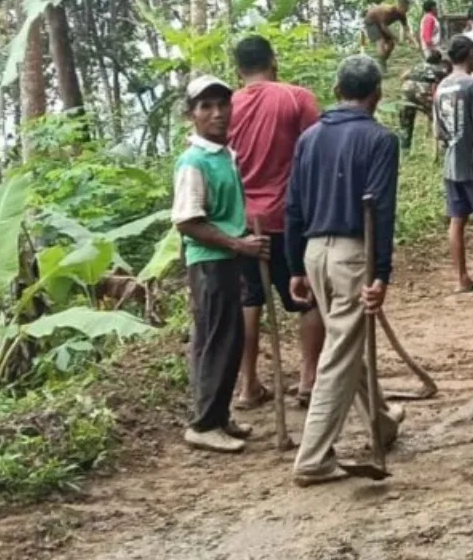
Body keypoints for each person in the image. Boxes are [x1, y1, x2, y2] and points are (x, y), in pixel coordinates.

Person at [285, 55, 406, 486]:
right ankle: (314, 457)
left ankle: (382, 424)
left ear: (337, 90)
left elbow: (293, 205)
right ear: (377, 93)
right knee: (339, 353)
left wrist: (293, 262)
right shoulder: (380, 140)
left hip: (315, 252)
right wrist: (381, 274)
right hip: (354, 253)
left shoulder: (309, 138)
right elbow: (382, 211)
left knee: (345, 341)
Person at [173, 75, 269, 453]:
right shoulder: (194, 162)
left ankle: (218, 415)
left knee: (227, 340)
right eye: (206, 107)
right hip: (211, 262)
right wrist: (237, 243)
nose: (217, 114)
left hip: (227, 258)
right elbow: (188, 221)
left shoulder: (224, 154)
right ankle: (204, 423)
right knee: (216, 341)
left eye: (222, 105)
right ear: (192, 115)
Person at [228, 36, 324, 411]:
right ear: (273, 59)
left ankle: (248, 385)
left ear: (238, 69)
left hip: (242, 224)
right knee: (308, 297)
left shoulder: (227, 106)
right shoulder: (297, 98)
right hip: (290, 217)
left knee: (250, 299)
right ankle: (309, 380)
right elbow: (317, 150)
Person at [435, 36, 473, 293]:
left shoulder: (441, 87)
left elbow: (439, 132)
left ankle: (461, 278)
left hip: (451, 164)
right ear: (469, 54)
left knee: (457, 220)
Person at [398, 50, 449, 151]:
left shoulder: (417, 66)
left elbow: (402, 77)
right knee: (438, 117)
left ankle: (404, 149)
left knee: (406, 122)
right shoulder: (439, 70)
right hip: (423, 95)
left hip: (406, 93)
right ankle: (444, 145)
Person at [364, 0, 411, 70]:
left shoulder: (402, 15)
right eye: (404, 9)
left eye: (407, 9)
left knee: (391, 44)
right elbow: (383, 27)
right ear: (399, 6)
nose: (406, 11)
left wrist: (414, 42)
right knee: (381, 41)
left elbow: (406, 29)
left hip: (380, 24)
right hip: (371, 21)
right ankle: (382, 65)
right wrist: (395, 37)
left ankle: (381, 62)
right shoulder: (388, 10)